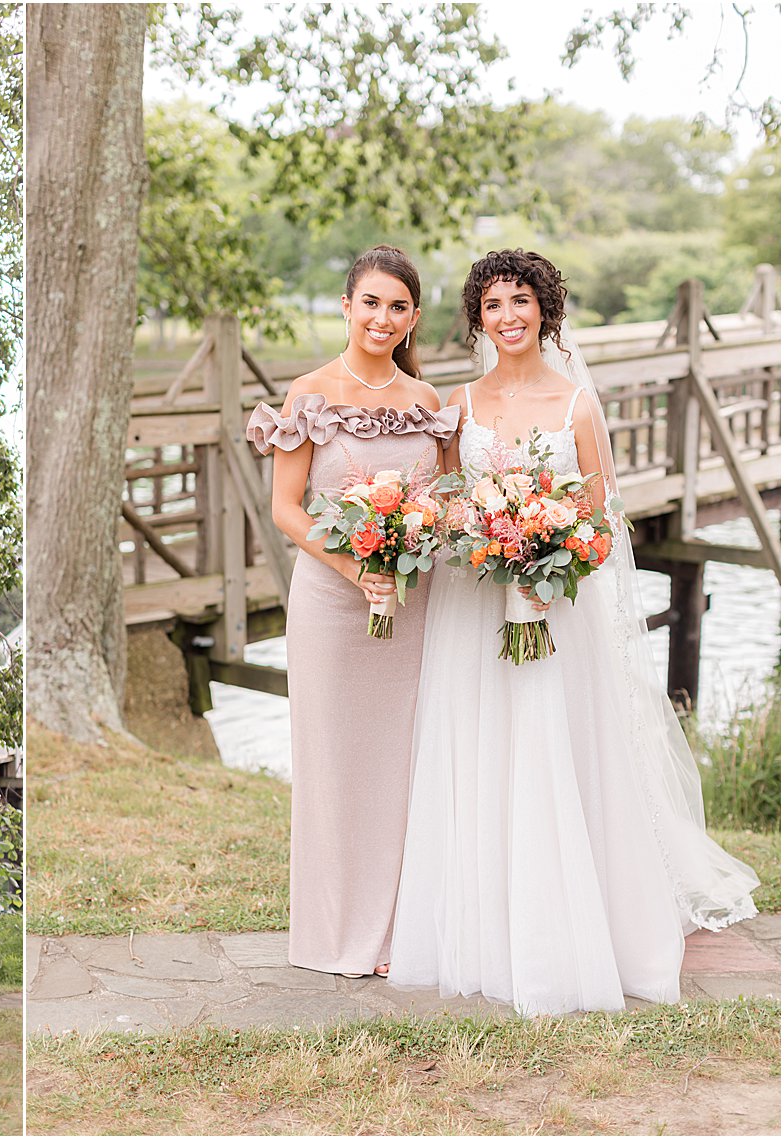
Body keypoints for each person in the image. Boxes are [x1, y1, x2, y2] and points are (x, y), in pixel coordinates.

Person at [389, 249, 759, 1016]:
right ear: (477, 318)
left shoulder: (575, 406)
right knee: (486, 748)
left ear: (545, 309)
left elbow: (603, 519)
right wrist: (487, 539)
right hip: (478, 610)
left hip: (558, 612)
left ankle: (569, 929)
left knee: (557, 747)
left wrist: (548, 552)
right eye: (492, 304)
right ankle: (487, 927)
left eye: (520, 299)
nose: (508, 316)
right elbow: (452, 501)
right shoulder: (459, 405)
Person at [246, 245, 460, 978]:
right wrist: (357, 567)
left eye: (397, 305)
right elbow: (285, 509)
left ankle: (401, 931)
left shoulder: (429, 404)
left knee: (406, 762)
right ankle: (336, 932)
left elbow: (447, 497)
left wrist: (416, 544)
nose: (382, 316)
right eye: (370, 301)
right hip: (333, 605)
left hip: (413, 602)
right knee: (334, 763)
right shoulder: (306, 395)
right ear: (345, 305)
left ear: (413, 318)